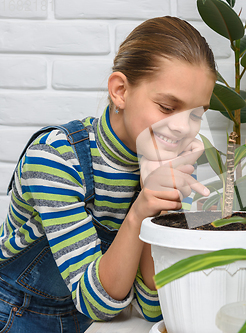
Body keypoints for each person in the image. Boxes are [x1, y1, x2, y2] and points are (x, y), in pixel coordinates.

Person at [0, 16, 216, 332]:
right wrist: (140, 209)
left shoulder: (172, 162)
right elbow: (97, 305)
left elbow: (156, 308)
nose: (184, 127)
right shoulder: (55, 157)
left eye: (196, 114)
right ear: (120, 91)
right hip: (16, 314)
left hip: (83, 323)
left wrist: (159, 212)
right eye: (167, 107)